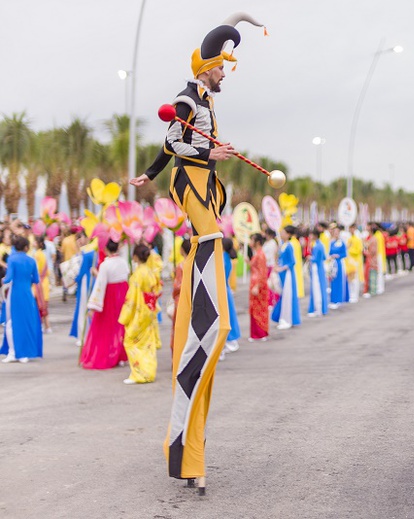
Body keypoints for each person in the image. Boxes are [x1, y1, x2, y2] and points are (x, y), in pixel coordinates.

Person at [129, 15, 263, 490]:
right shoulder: (189, 96)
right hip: (192, 182)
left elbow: (176, 141)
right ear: (206, 66)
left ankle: (190, 449)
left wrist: (148, 173)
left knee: (211, 239)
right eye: (223, 65)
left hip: (205, 181)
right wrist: (210, 155)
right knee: (210, 239)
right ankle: (205, 267)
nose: (226, 72)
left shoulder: (202, 99)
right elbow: (174, 139)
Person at [80, 240, 130, 370]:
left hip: (109, 296)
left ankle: (108, 355)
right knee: (120, 326)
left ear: (106, 249)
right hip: (122, 295)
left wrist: (93, 306)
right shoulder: (124, 262)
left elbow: (100, 285)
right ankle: (120, 355)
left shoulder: (105, 265)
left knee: (105, 327)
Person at [118, 245, 162, 384]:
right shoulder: (149, 271)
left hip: (140, 311)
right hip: (149, 310)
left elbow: (132, 298)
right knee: (147, 343)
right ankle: (148, 371)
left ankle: (139, 373)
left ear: (136, 257)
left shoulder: (138, 274)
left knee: (131, 342)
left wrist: (125, 315)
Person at [1, 236, 43, 363]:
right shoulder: (32, 260)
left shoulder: (12, 259)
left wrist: (3, 280)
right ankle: (25, 353)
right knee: (27, 322)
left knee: (10, 323)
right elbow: (36, 279)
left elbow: (8, 278)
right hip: (28, 294)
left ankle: (13, 353)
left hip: (15, 294)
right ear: (26, 247)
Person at [271, 225, 301, 329]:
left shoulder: (289, 246)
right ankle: (282, 317)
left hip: (288, 274)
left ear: (288, 234)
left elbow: (292, 262)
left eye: (283, 232)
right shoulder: (282, 245)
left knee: (287, 296)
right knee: (283, 295)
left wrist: (282, 268)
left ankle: (287, 319)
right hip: (282, 274)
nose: (281, 234)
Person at [69, 232, 95, 347]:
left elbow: (82, 271)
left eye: (81, 237)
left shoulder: (86, 252)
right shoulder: (94, 250)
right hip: (92, 281)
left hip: (85, 282)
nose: (80, 240)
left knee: (82, 309)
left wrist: (73, 281)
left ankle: (82, 335)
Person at [169, 239, 191, 352]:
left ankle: (179, 355)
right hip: (193, 301)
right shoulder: (195, 263)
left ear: (182, 250)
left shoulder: (181, 266)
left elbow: (177, 286)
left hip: (181, 301)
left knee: (179, 330)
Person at [248, 233, 269, 342]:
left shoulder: (260, 254)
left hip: (258, 284)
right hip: (255, 283)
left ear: (257, 242)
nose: (250, 242)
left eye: (252, 240)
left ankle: (260, 333)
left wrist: (257, 286)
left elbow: (262, 272)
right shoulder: (258, 253)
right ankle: (255, 333)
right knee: (254, 308)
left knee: (259, 309)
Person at [222, 237, 241, 354]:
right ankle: (231, 340)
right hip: (225, 288)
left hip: (223, 289)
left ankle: (231, 340)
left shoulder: (223, 257)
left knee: (228, 316)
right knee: (229, 315)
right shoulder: (226, 256)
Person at [307, 230, 328, 317]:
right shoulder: (320, 245)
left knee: (317, 288)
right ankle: (321, 308)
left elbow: (316, 259)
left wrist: (310, 257)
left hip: (316, 268)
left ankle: (318, 309)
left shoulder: (317, 246)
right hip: (320, 268)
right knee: (320, 287)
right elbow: (324, 257)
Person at [33, 236, 52, 333]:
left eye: (35, 241)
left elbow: (35, 270)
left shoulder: (37, 254)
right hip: (44, 282)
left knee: (39, 306)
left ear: (39, 244)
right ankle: (47, 327)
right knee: (44, 306)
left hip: (39, 283)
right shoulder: (42, 254)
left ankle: (42, 326)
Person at [328, 225, 349, 308]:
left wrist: (338, 255)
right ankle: (333, 299)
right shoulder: (331, 242)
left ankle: (339, 299)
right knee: (333, 281)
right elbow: (329, 253)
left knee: (339, 281)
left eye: (337, 232)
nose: (336, 234)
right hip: (333, 263)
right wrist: (331, 256)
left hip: (339, 263)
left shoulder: (342, 243)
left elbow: (345, 254)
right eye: (334, 232)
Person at [346, 223, 364, 302]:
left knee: (355, 279)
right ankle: (351, 294)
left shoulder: (357, 239)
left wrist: (350, 250)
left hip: (356, 262)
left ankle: (355, 295)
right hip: (349, 262)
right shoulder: (349, 239)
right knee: (350, 279)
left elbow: (359, 250)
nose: (351, 230)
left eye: (352, 228)